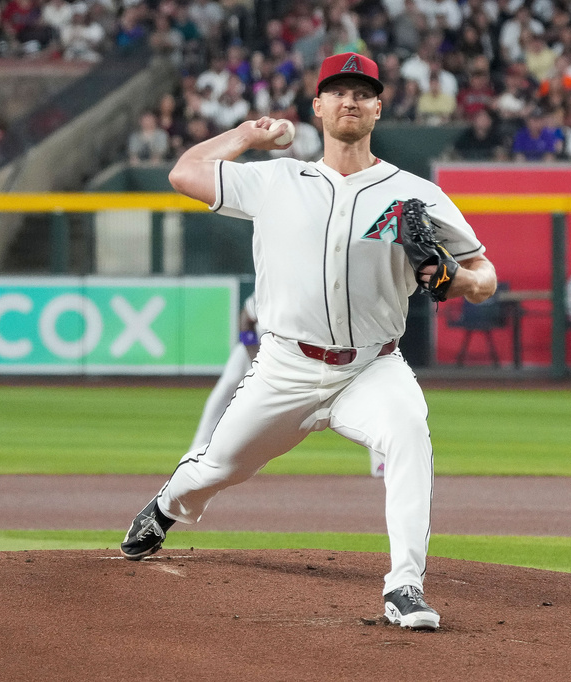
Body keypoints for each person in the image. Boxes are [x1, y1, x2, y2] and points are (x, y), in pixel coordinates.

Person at [120, 52, 497, 632]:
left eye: (362, 92)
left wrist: (462, 280)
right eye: (338, 91)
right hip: (284, 367)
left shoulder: (413, 193)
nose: (351, 100)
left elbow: (484, 274)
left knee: (409, 438)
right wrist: (247, 135)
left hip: (373, 366)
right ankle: (168, 507)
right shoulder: (276, 180)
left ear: (378, 106)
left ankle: (404, 585)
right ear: (317, 106)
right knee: (219, 467)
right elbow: (184, 172)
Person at [191, 293, 386, 477]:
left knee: (359, 393)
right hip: (258, 347)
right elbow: (245, 321)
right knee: (225, 389)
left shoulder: (326, 294)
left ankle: (380, 460)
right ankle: (197, 451)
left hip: (302, 353)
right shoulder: (272, 285)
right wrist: (255, 357)